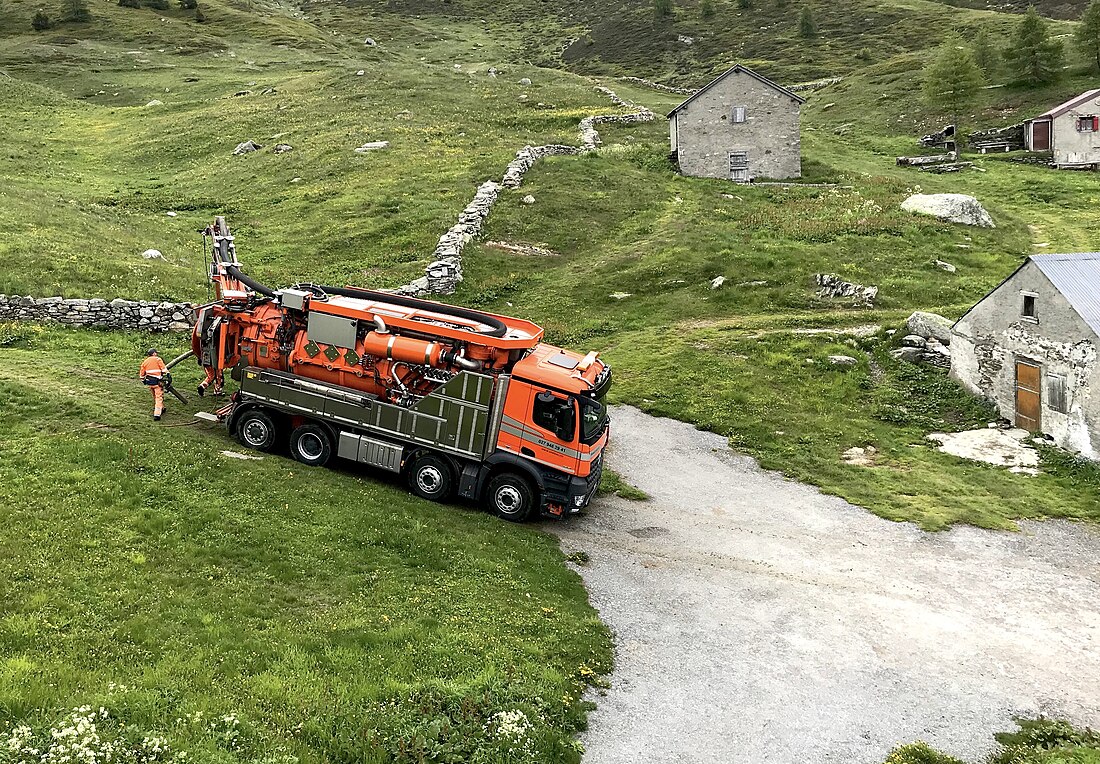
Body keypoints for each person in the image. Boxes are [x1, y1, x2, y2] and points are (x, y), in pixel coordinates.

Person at [139, 348, 169, 420]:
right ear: (154, 353)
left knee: (155, 396)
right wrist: (168, 375)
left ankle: (162, 407)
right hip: (157, 382)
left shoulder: (145, 361)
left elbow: (142, 372)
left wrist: (143, 380)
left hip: (150, 382)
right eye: (156, 353)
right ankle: (157, 414)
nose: (157, 354)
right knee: (159, 397)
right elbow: (163, 369)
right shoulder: (158, 359)